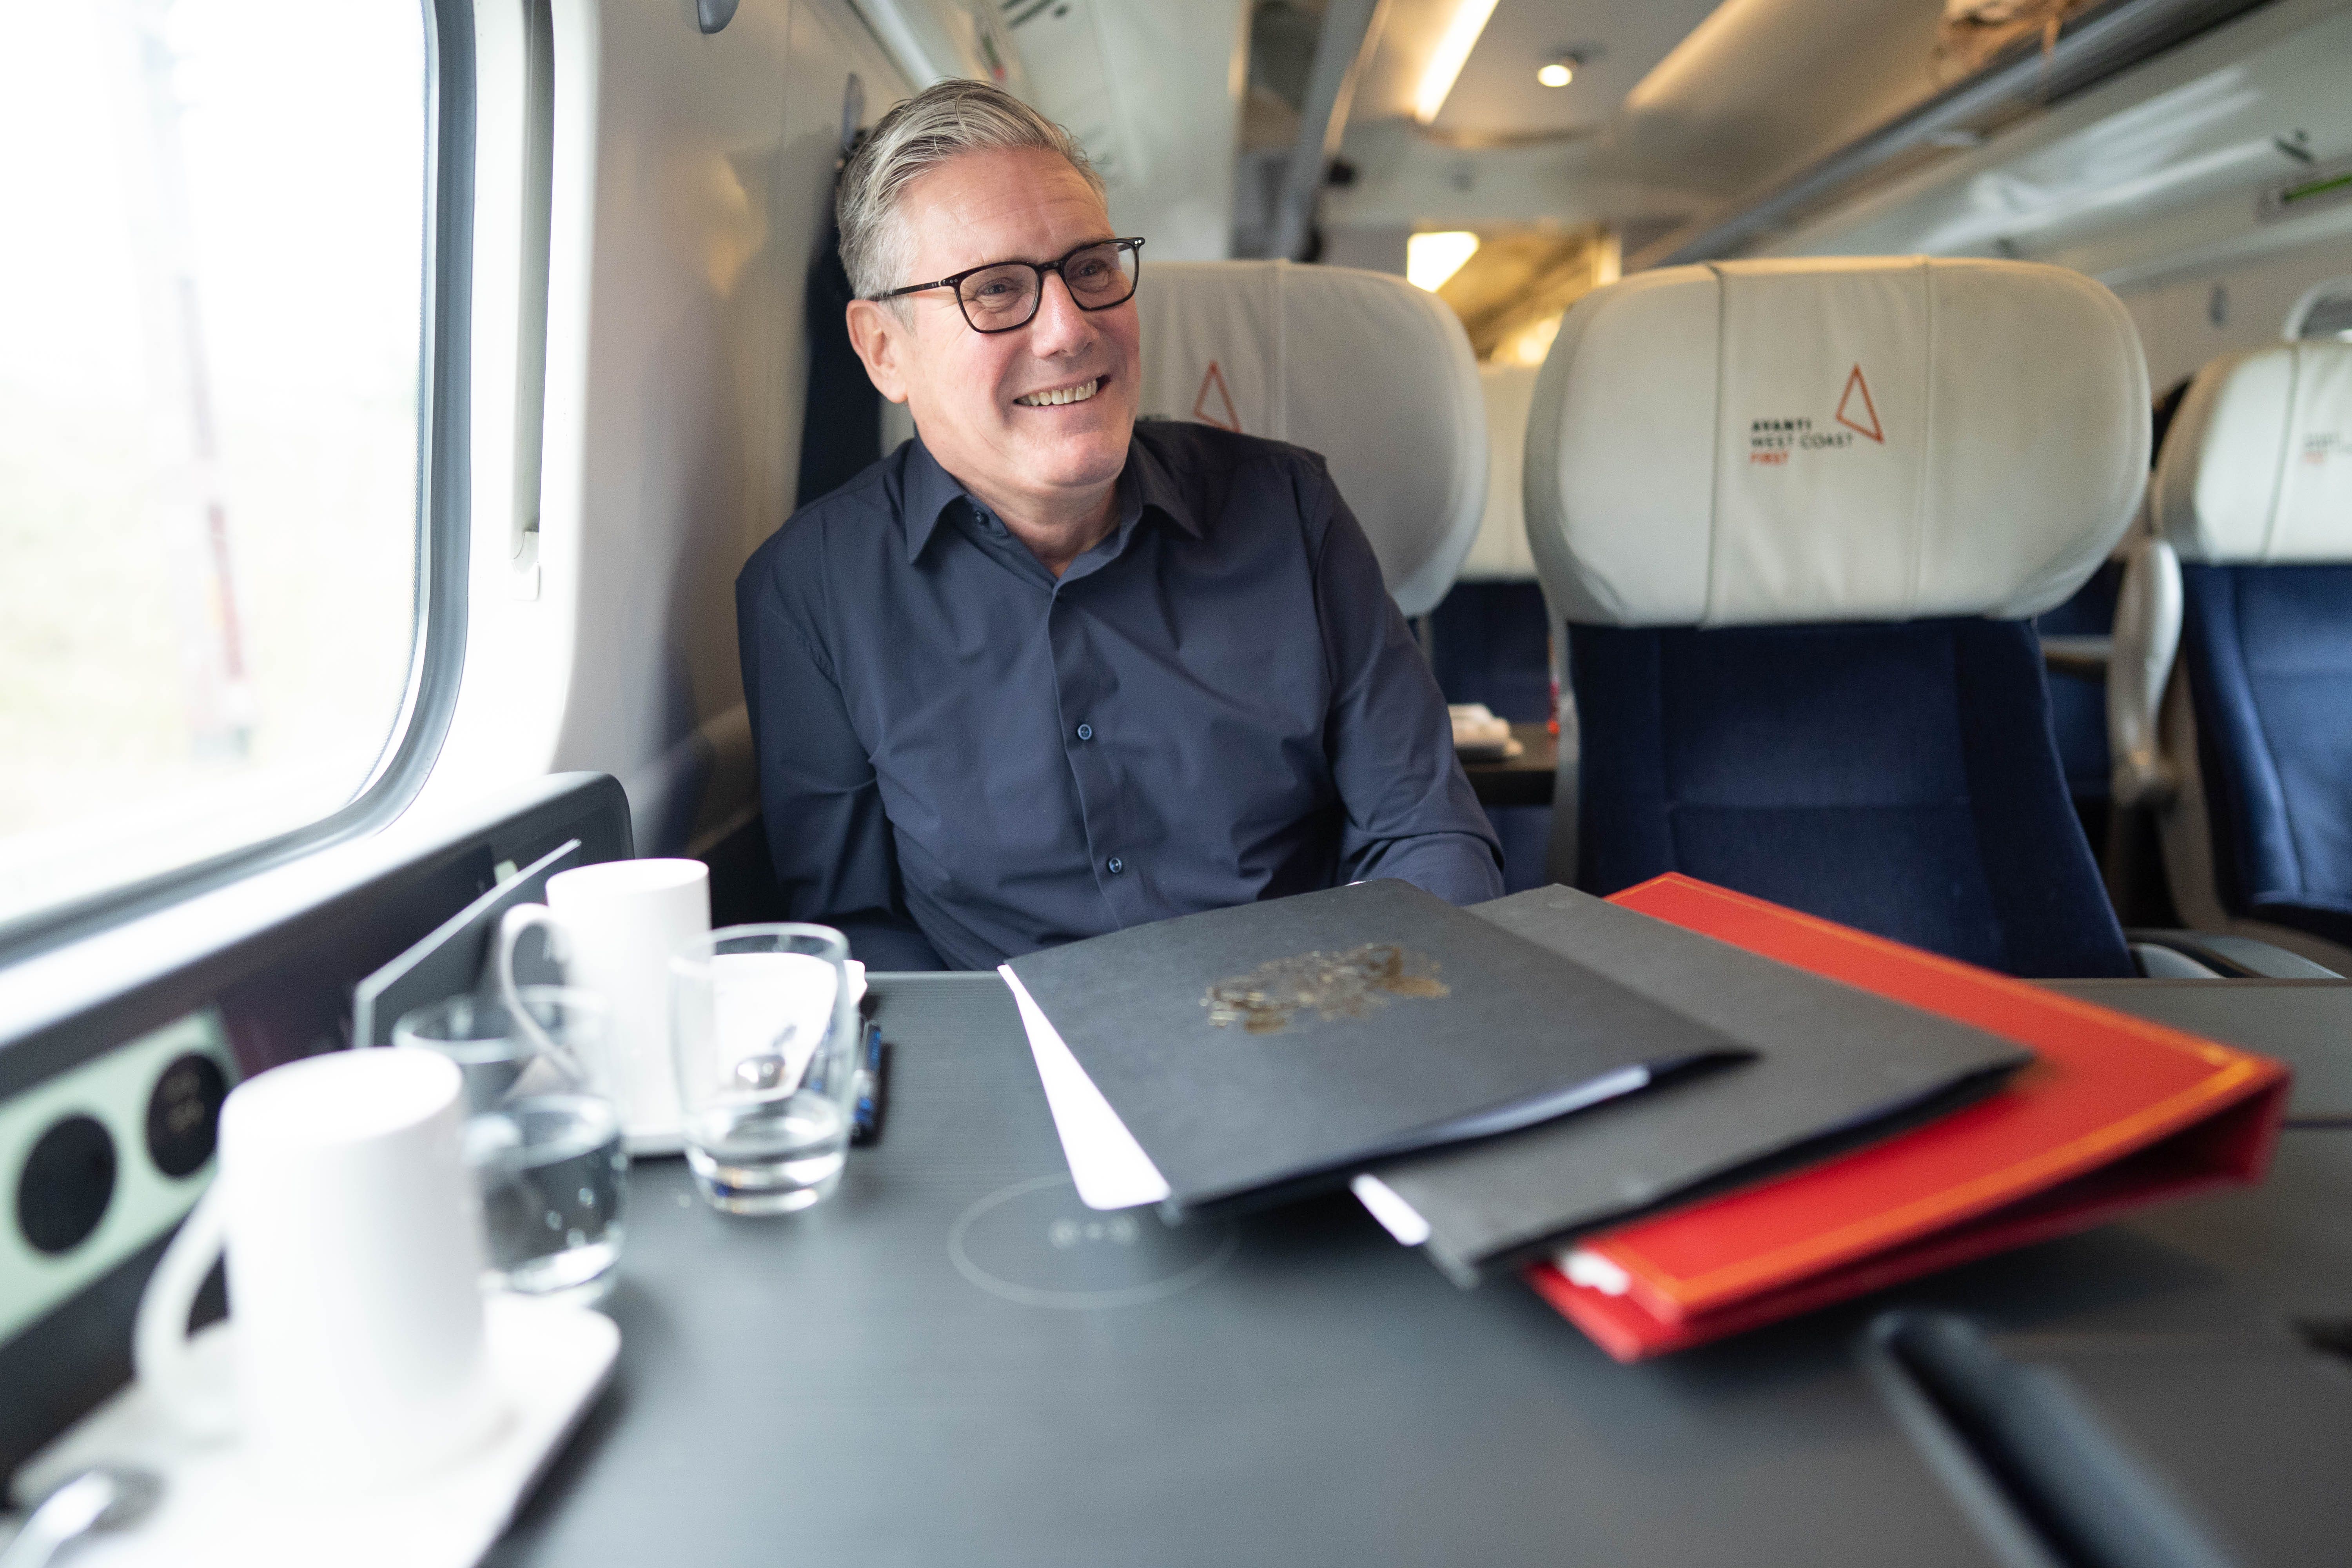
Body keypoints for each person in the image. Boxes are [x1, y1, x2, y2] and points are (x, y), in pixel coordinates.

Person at [736, 79, 1502, 971]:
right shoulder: (809, 592)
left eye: (1092, 267)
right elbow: (859, 929)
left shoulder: (1292, 512)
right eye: (995, 290)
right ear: (882, 349)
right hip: (1019, 1076)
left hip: (1314, 1032)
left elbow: (1429, 834)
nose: (1068, 329)